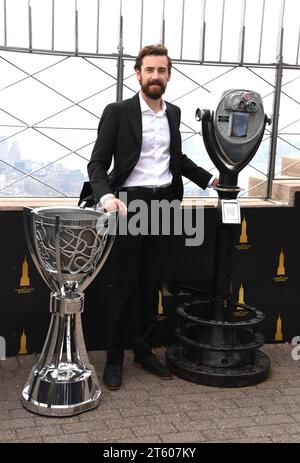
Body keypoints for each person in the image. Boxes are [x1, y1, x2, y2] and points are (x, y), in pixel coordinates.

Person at [87, 44, 218, 390]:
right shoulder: (118, 112)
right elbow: (97, 163)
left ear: (169, 75)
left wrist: (210, 178)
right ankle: (114, 358)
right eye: (149, 70)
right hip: (129, 205)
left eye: (161, 70)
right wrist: (106, 195)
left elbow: (177, 160)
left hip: (165, 206)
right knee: (125, 285)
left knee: (151, 284)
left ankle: (143, 351)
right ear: (138, 73)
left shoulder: (172, 113)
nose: (155, 76)